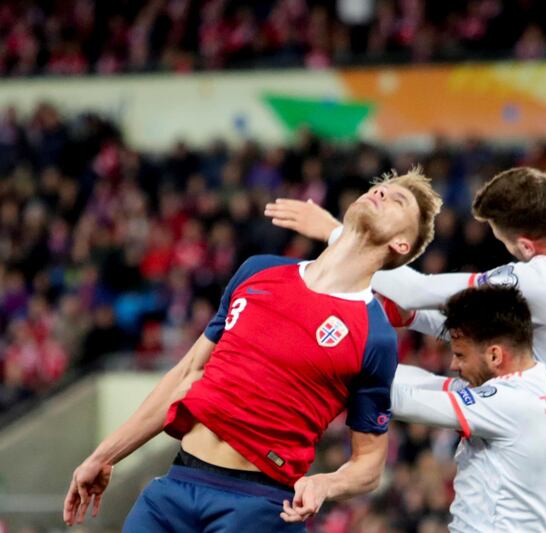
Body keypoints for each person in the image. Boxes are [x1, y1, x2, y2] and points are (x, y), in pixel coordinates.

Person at [265, 166, 546, 532]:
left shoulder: (545, 280)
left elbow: (417, 291)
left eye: (503, 243)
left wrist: (336, 232)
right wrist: (413, 318)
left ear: (525, 245)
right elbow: (494, 330)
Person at [62, 169, 442, 532]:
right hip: (174, 487)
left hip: (258, 505)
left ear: (401, 245)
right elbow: (187, 374)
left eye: (398, 200)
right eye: (378, 188)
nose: (380, 192)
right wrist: (104, 455)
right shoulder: (258, 271)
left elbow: (370, 463)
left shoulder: (374, 335)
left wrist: (326, 485)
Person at [391, 286, 546, 532]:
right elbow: (429, 385)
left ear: (495, 355)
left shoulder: (511, 402)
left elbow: (403, 401)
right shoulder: (524, 386)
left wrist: (337, 362)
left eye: (461, 355)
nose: (453, 364)